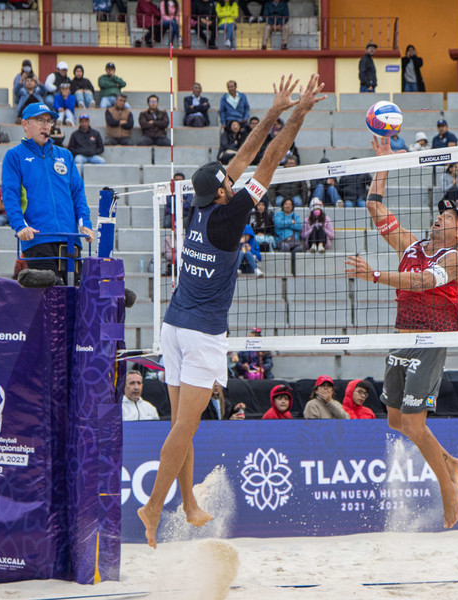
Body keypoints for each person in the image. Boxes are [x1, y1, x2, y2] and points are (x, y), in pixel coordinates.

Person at [137, 73, 325, 547]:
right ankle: (153, 506)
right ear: (222, 192)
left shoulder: (198, 208)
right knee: (185, 427)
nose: (230, 177)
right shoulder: (229, 217)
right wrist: (297, 113)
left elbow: (242, 159)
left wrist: (273, 108)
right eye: (226, 181)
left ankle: (186, 501)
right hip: (200, 334)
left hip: (174, 327)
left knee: (185, 425)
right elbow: (271, 159)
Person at [345, 136, 458, 528]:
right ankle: (451, 461)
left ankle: (448, 485)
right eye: (439, 215)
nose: (439, 218)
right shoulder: (411, 245)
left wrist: (375, 274)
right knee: (395, 421)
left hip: (432, 338)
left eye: (448, 218)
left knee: (414, 424)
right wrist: (383, 163)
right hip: (402, 336)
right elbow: (375, 207)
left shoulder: (456, 258)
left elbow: (420, 282)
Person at [2, 103, 95, 284]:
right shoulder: (14, 156)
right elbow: (10, 194)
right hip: (38, 238)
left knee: (75, 298)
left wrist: (84, 222)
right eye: (39, 120)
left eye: (48, 121)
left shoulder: (65, 155)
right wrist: (20, 226)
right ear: (25, 124)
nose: (46, 125)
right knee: (51, 298)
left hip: (71, 239)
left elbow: (78, 192)